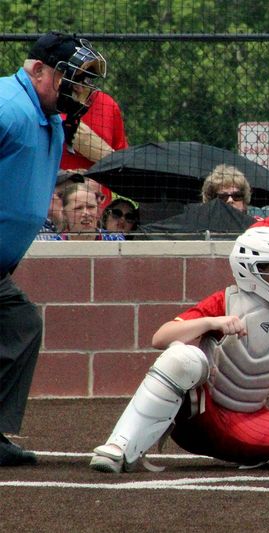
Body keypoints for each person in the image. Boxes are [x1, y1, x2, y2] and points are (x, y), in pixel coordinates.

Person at [90, 227, 269, 473]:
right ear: (254, 271)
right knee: (183, 357)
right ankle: (119, 447)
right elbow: (161, 337)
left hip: (249, 421)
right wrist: (211, 321)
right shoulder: (227, 302)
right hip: (199, 416)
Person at [0, 31, 105, 466]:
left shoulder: (47, 117)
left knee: (20, 323)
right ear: (37, 70)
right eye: (71, 80)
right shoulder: (8, 106)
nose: (79, 93)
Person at [60, 182, 124, 241]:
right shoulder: (54, 242)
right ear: (64, 214)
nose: (86, 213)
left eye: (91, 207)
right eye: (78, 208)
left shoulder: (115, 240)